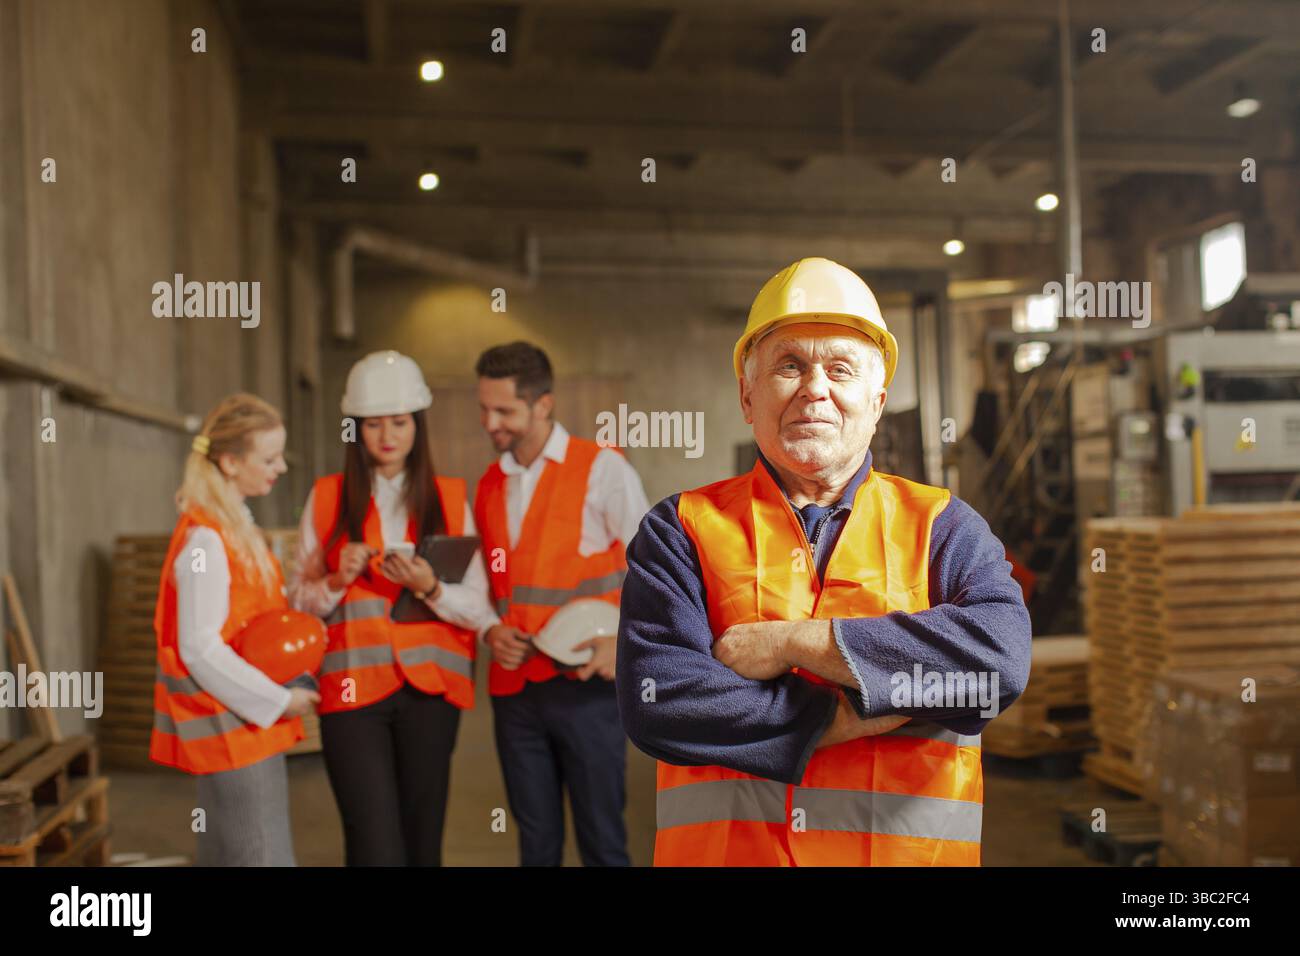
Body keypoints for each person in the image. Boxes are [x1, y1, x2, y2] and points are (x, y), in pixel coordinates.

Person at [616, 257, 1033, 866]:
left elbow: (995, 665)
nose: (815, 387)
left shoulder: (942, 524)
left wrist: (793, 644)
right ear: (747, 395)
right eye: (789, 366)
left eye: (840, 369)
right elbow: (660, 700)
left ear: (877, 400)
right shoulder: (681, 529)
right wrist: (836, 716)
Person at [288, 350, 497, 866]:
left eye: (399, 422)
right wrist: (337, 578)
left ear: (416, 425)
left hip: (431, 694)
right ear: (355, 429)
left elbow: (477, 608)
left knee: (422, 842)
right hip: (352, 694)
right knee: (373, 844)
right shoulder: (326, 498)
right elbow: (297, 598)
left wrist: (431, 588)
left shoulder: (449, 499)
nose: (387, 435)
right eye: (373, 424)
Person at [475, 341, 649, 866]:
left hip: (587, 691)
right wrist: (488, 628)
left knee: (601, 839)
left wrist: (621, 637)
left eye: (504, 410)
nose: (491, 423)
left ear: (543, 405)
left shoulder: (602, 470)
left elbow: (656, 571)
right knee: (536, 844)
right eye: (484, 408)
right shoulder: (489, 484)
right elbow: (486, 580)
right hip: (513, 691)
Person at [150, 393, 317, 866]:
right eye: (268, 458)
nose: (280, 467)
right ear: (228, 461)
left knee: (233, 852)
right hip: (234, 731)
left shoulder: (230, 525)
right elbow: (199, 647)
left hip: (240, 724)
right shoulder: (206, 539)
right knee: (259, 855)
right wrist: (280, 701)